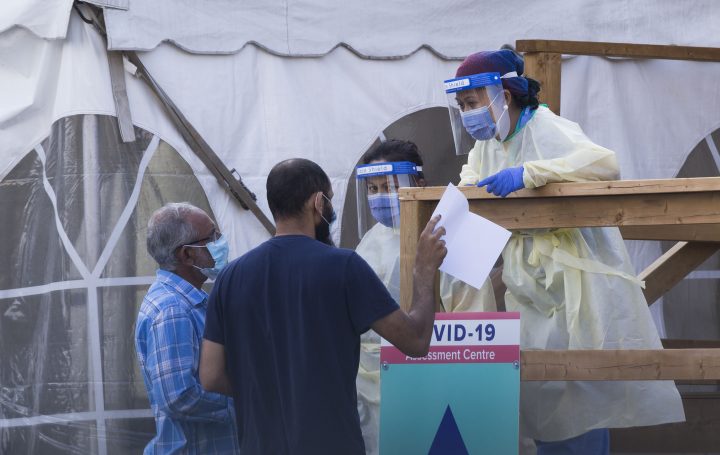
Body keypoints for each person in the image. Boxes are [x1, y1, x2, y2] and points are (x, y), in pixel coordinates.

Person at [443, 50, 685, 453]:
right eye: (463, 106)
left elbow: (604, 164)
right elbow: (472, 179)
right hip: (531, 285)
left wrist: (532, 173)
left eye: (472, 102)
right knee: (543, 391)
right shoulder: (487, 147)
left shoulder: (546, 127)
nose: (468, 114)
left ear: (503, 93)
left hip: (576, 284)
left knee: (580, 390)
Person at [199, 158, 447, 454]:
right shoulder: (344, 267)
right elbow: (416, 340)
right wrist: (423, 273)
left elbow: (211, 375)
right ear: (318, 202)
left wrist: (267, 392)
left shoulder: (229, 278)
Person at [353, 139, 497, 454]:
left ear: (419, 183)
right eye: (373, 189)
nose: (380, 197)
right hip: (373, 390)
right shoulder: (369, 241)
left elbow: (477, 323)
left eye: (389, 186)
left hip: (435, 387)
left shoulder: (454, 236)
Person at [135, 202, 239, 454]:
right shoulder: (173, 309)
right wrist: (243, 401)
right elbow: (178, 396)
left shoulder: (186, 301)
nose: (220, 241)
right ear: (187, 255)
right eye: (211, 236)